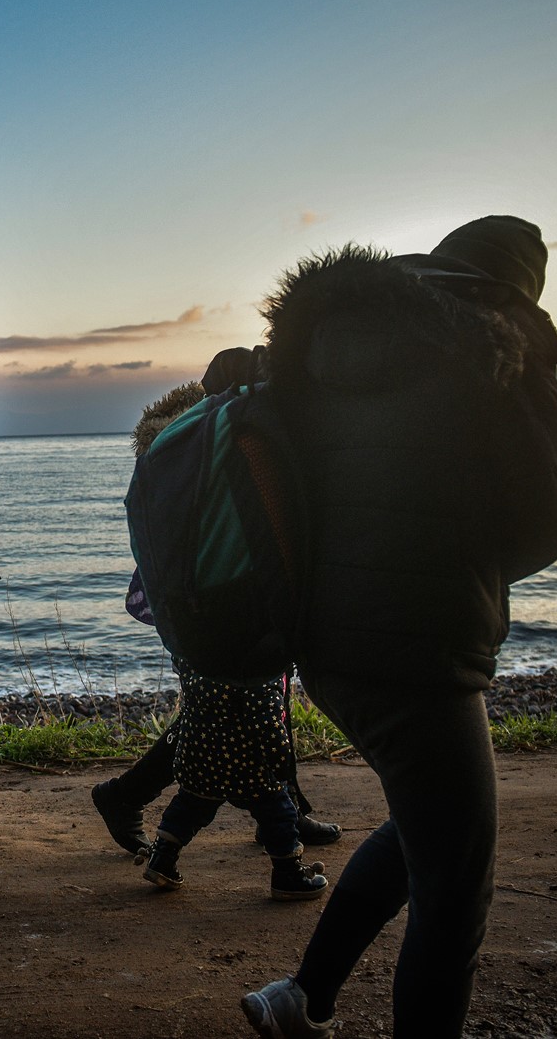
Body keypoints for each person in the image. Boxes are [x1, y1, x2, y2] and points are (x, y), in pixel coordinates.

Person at [243, 218, 557, 1038]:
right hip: (419, 650)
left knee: (422, 824)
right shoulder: (494, 345)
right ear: (515, 290)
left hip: (323, 642)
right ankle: (316, 1001)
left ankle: (302, 997)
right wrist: (469, 563)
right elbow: (552, 517)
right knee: (458, 879)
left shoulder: (333, 340)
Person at [91, 351, 340, 874]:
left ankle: (269, 809)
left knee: (224, 711)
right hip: (219, 595)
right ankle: (136, 797)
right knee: (238, 708)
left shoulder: (186, 433)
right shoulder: (229, 433)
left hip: (189, 599)